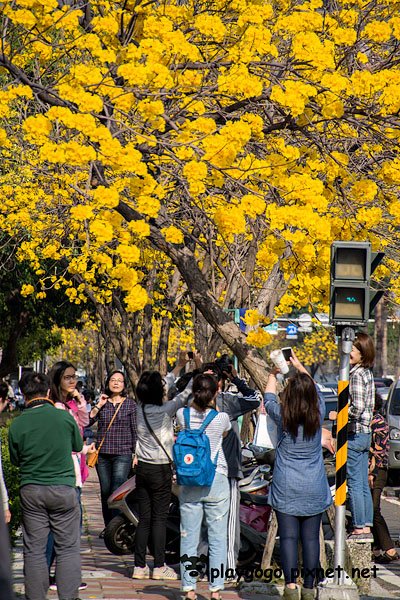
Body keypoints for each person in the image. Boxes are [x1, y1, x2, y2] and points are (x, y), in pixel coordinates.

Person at [8, 371, 83, 600]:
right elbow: (78, 445)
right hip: (63, 489)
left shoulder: (18, 423)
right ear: (49, 392)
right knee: (68, 549)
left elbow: (15, 459)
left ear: (23, 393)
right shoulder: (64, 417)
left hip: (32, 490)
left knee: (34, 550)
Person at [264, 352, 332, 600]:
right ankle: (310, 586)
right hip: (313, 485)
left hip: (286, 486)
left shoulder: (283, 416)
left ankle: (291, 586)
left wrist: (273, 372)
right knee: (311, 538)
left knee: (289, 537)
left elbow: (269, 397)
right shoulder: (318, 413)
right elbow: (314, 389)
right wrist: (300, 366)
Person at [132, 367, 193, 580]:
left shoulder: (139, 409)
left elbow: (162, 385)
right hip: (161, 470)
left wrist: (175, 370)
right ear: (159, 391)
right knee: (159, 519)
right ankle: (159, 566)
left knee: (144, 519)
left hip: (142, 469)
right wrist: (195, 372)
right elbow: (186, 394)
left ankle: (139, 567)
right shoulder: (167, 409)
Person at [202, 360, 260, 572]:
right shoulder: (213, 403)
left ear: (219, 383)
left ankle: (225, 567)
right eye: (203, 379)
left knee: (226, 523)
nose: (208, 384)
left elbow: (255, 399)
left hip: (226, 472)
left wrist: (236, 379)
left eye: (212, 379)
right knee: (204, 523)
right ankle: (207, 565)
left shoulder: (225, 402)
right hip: (204, 473)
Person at [177, 373, 231, 600]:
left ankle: (189, 589)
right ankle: (216, 590)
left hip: (189, 480)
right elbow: (223, 434)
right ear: (215, 393)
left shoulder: (182, 415)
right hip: (216, 478)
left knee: (188, 536)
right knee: (217, 537)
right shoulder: (222, 418)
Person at [47, 361, 93, 592]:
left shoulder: (72, 403)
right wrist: (83, 450)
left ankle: (57, 574)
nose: (72, 381)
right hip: (64, 469)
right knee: (66, 527)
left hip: (76, 466)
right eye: (67, 377)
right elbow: (66, 439)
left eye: (74, 376)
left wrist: (80, 400)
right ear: (57, 380)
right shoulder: (55, 406)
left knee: (68, 526)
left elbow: (84, 423)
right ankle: (56, 575)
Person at [329, 332, 375, 540]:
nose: (348, 351)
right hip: (365, 433)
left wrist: (337, 415)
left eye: (353, 349)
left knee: (355, 483)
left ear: (362, 353)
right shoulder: (367, 373)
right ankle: (366, 525)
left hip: (355, 434)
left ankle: (357, 526)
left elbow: (356, 408)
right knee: (363, 484)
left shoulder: (356, 375)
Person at [89, 370, 137, 532]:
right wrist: (98, 405)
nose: (116, 383)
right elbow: (87, 421)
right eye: (113, 380)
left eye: (120, 381)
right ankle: (108, 526)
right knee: (105, 492)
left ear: (124, 385)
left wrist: (136, 453)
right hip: (103, 454)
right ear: (108, 383)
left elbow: (135, 429)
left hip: (123, 453)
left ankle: (117, 528)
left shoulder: (130, 404)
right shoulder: (103, 402)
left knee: (117, 491)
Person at [369, 393, 398, 563]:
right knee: (369, 510)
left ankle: (389, 549)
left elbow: (379, 451)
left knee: (373, 509)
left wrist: (372, 473)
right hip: (370, 471)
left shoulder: (378, 422)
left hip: (378, 471)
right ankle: (377, 549)